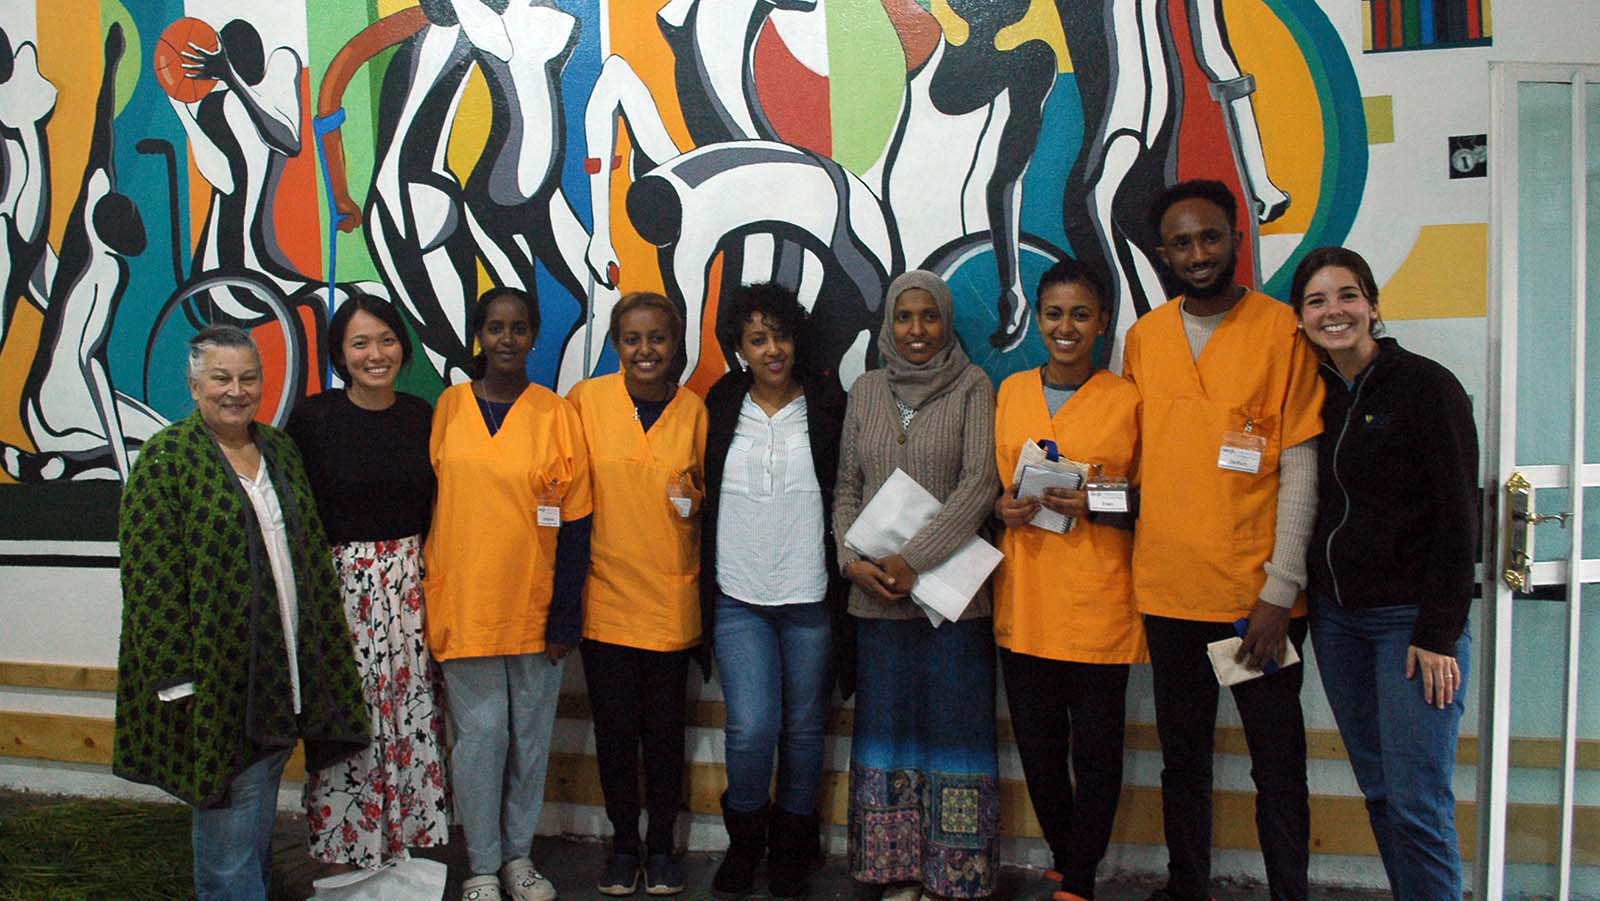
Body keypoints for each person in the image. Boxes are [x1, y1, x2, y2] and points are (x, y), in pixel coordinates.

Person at [1121, 179, 1324, 901]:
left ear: (1238, 239)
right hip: (1171, 595)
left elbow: (1300, 466)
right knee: (1184, 759)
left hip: (1253, 605)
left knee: (1277, 763)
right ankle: (1187, 885)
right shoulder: (1143, 339)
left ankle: (1289, 891)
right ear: (1161, 253)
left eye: (1210, 237)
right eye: (1182, 242)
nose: (1198, 253)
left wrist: (1280, 588)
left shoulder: (1282, 331)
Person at [113, 325, 368, 900]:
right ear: (195, 384)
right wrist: (176, 679)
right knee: (231, 825)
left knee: (255, 812)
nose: (236, 390)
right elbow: (150, 578)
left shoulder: (277, 450)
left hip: (283, 677)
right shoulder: (167, 458)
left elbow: (304, 555)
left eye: (248, 377)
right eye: (221, 378)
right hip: (218, 683)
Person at [1290, 246, 1476, 899]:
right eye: (1316, 300)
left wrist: (1438, 631)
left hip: (1410, 628)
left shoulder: (1426, 386)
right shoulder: (1318, 396)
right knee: (1379, 792)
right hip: (1339, 622)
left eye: (1346, 295)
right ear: (1302, 318)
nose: (1332, 310)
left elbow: (1461, 518)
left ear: (1372, 305)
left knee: (1417, 801)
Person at [832, 270, 1001, 900]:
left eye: (929, 317)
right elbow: (846, 485)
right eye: (904, 317)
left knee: (955, 732)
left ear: (948, 321)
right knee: (886, 731)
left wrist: (915, 559)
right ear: (888, 325)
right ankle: (892, 868)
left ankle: (953, 877)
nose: (917, 330)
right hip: (876, 598)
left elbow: (981, 483)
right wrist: (853, 559)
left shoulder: (973, 386)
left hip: (953, 601)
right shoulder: (867, 390)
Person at [424, 286, 593, 901]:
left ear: (534, 335)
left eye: (519, 328)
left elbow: (576, 522)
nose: (507, 339)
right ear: (479, 333)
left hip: (535, 606)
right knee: (480, 739)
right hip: (464, 602)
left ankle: (520, 858)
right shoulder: (449, 407)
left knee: (529, 738)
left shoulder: (555, 414)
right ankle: (482, 865)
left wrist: (565, 611)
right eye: (494, 327)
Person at [991, 261, 1144, 901]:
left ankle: (1079, 878)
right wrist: (1002, 507)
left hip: (1099, 603)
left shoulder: (1129, 400)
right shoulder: (1011, 393)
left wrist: (1099, 503)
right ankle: (1064, 852)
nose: (1065, 326)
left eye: (1080, 314)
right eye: (1054, 313)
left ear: (1103, 321)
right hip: (1025, 600)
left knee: (1097, 753)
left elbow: (1148, 499)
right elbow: (994, 490)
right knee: (1040, 750)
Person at [699, 282, 850, 899]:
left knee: (806, 728)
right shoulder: (722, 400)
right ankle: (744, 843)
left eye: (779, 335)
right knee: (753, 728)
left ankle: (791, 848)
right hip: (738, 594)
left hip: (809, 594)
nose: (771, 349)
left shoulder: (827, 402)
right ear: (739, 348)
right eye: (757, 339)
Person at [287, 294, 449, 869]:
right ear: (340, 353)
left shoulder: (420, 416)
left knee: (409, 711)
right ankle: (346, 848)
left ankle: (405, 846)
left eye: (385, 340)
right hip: (340, 591)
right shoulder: (314, 418)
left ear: (402, 348)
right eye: (359, 342)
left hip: (410, 588)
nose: (374, 354)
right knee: (349, 717)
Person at [568, 291, 709, 897]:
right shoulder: (585, 403)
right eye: (632, 339)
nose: (645, 350)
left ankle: (662, 847)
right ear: (616, 346)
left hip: (670, 601)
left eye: (657, 339)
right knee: (615, 731)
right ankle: (625, 845)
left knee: (664, 733)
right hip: (605, 599)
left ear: (674, 345)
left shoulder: (696, 412)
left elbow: (709, 496)